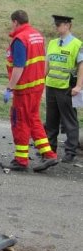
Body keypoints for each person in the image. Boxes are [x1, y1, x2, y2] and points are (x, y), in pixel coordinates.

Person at [3, 10, 58, 172]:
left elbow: (19, 66)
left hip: (25, 89)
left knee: (20, 121)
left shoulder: (20, 39)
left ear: (15, 22)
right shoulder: (37, 35)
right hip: (37, 86)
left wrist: (9, 88)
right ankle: (49, 155)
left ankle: (20, 160)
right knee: (33, 119)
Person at [44, 15, 83, 164]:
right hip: (51, 86)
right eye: (55, 24)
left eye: (59, 24)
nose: (56, 27)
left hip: (66, 88)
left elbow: (81, 66)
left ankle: (70, 151)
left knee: (69, 120)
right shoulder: (53, 43)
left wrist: (79, 86)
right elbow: (47, 63)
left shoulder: (77, 44)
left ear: (68, 25)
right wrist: (42, 79)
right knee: (51, 120)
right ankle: (50, 149)